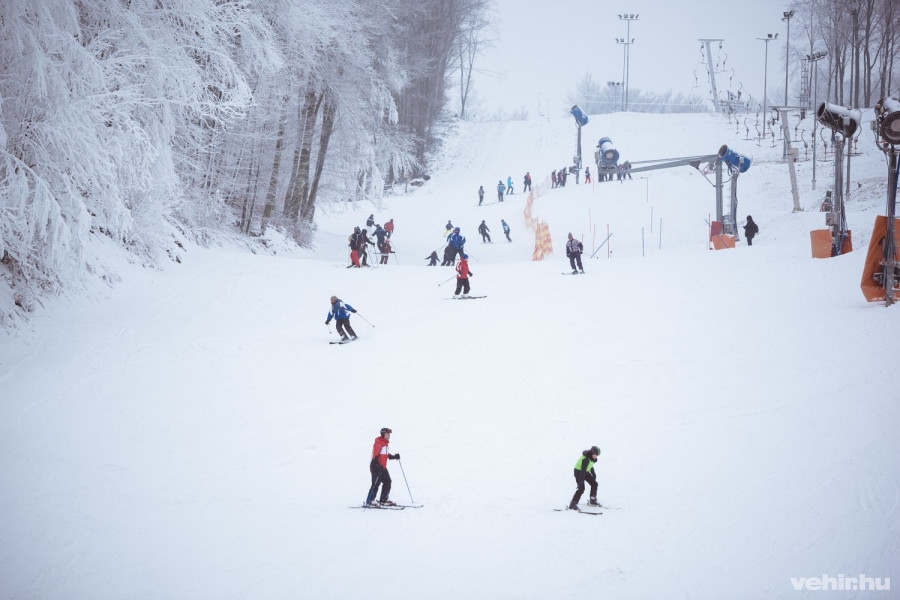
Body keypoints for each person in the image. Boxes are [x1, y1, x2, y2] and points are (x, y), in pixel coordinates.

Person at [366, 427, 400, 506]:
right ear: (383, 434)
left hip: (382, 467)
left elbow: (386, 455)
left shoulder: (385, 443)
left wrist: (395, 457)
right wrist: (378, 466)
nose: (389, 435)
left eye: (389, 434)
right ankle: (370, 501)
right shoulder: (378, 443)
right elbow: (375, 457)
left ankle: (383, 499)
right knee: (375, 484)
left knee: (387, 481)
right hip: (376, 467)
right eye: (387, 434)